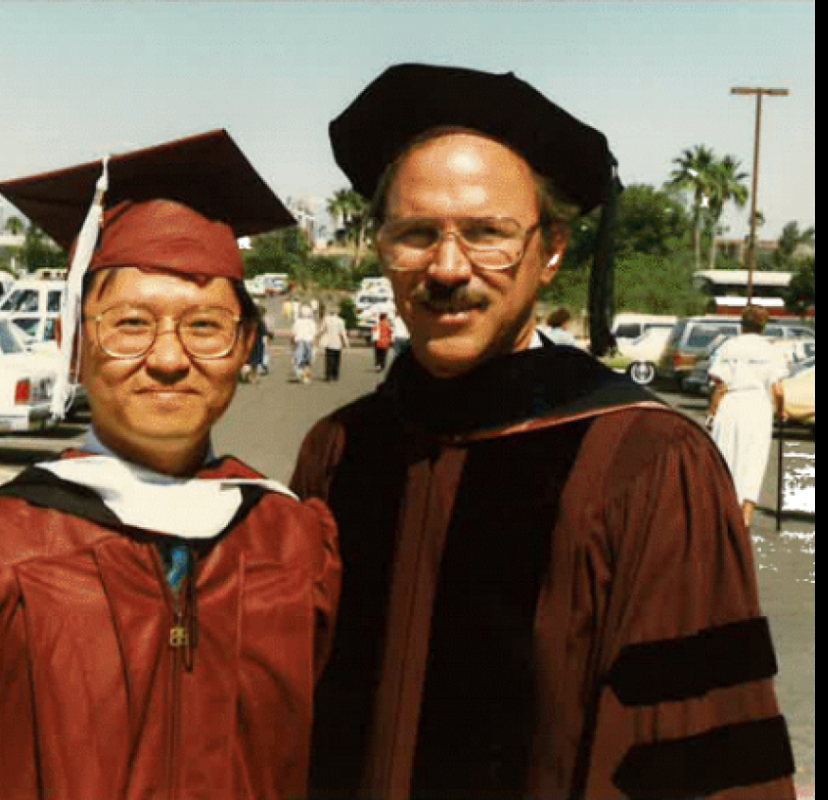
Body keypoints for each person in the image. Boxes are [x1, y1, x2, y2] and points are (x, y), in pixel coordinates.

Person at [291, 64, 794, 799]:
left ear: (551, 251)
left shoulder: (647, 464)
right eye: (416, 233)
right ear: (383, 247)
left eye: (489, 234)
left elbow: (697, 759)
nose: (448, 267)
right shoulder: (339, 451)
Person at [0, 130, 341, 800]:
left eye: (205, 326)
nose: (168, 358)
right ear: (72, 340)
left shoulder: (293, 543)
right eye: (130, 323)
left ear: (247, 343)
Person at [706, 304, 788, 528]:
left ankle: (721, 513)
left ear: (742, 324)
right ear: (764, 326)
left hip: (731, 404)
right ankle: (745, 516)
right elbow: (778, 389)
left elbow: (719, 384)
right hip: (757, 407)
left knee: (725, 458)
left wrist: (711, 414)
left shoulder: (729, 346)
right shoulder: (771, 350)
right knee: (753, 460)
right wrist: (781, 410)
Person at [319, 304, 350, 381]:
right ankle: (335, 375)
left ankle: (328, 375)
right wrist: (346, 343)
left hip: (329, 341)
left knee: (329, 359)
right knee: (336, 360)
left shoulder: (326, 319)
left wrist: (317, 335)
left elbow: (322, 330)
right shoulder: (340, 321)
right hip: (337, 342)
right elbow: (343, 333)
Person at [291, 303, 318, 382]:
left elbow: (293, 334)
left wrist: (292, 344)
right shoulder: (312, 322)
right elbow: (314, 335)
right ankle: (306, 376)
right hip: (308, 341)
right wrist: (316, 345)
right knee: (308, 360)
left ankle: (300, 374)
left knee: (299, 359)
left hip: (299, 341)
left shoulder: (297, 322)